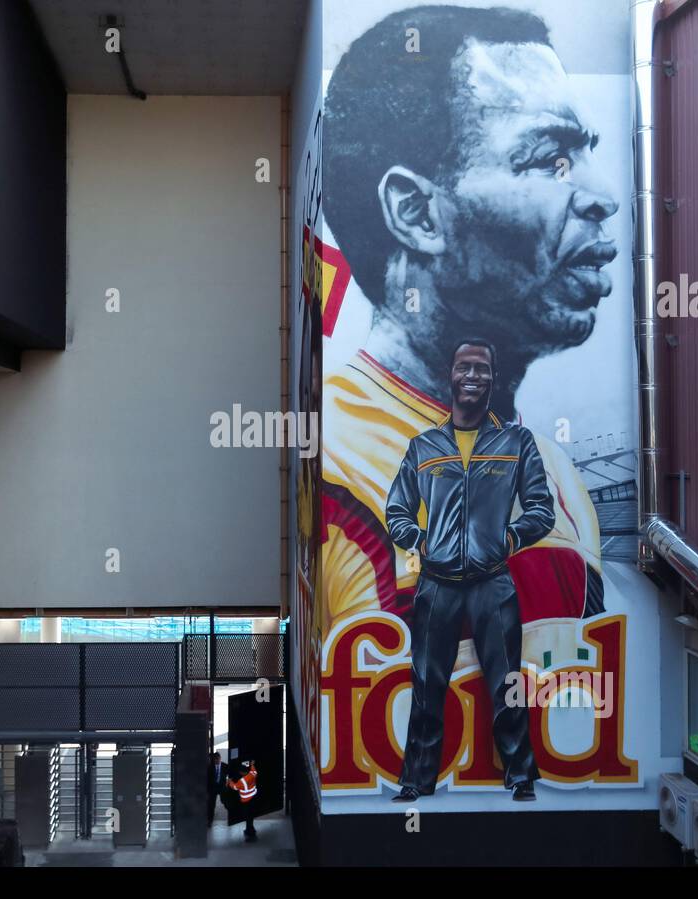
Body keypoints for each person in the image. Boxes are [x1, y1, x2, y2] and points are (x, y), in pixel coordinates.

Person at [319, 5, 618, 763]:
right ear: (417, 213)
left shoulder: (545, 466)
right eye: (548, 159)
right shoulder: (341, 479)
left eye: (585, 154)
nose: (601, 194)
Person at [386, 340, 554, 802]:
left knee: (507, 684)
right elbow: (397, 509)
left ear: (493, 379)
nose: (473, 375)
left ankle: (520, 775)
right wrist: (421, 541)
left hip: (492, 581)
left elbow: (542, 509)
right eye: (465, 367)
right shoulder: (423, 447)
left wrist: (509, 539)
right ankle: (416, 781)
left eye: (482, 368)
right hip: (436, 584)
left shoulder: (516, 443)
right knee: (426, 684)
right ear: (452, 375)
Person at [225, 760, 259, 842]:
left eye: (240, 772)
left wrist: (229, 781)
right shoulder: (252, 773)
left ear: (242, 773)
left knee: (248, 817)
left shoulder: (242, 781)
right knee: (251, 816)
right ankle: (250, 830)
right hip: (253, 798)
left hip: (246, 800)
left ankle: (251, 833)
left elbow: (235, 787)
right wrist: (251, 764)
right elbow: (253, 770)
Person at [207, 751, 229, 826]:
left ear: (220, 758)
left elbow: (231, 772)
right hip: (213, 788)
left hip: (222, 786)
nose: (217, 761)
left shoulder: (225, 766)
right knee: (211, 804)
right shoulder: (210, 767)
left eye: (218, 759)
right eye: (215, 760)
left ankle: (231, 816)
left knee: (225, 801)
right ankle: (210, 820)